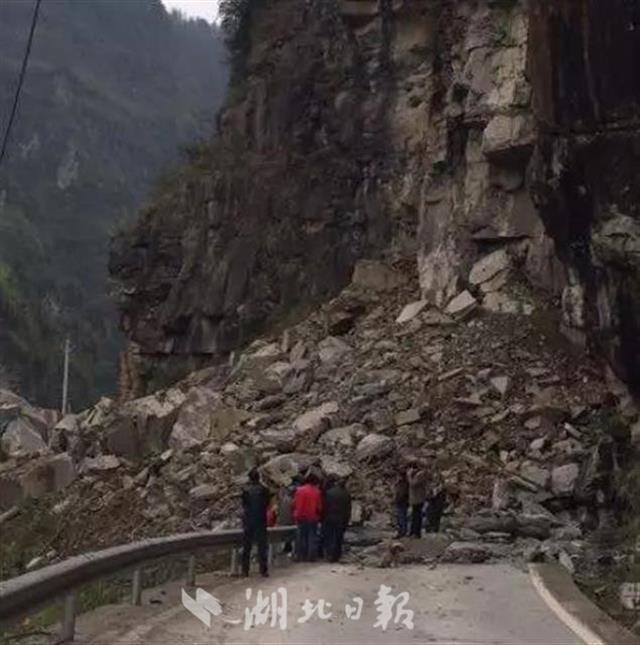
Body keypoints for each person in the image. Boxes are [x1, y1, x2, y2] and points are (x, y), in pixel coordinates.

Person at [241, 468, 270, 577]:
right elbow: (266, 504)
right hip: (261, 520)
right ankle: (263, 570)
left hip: (248, 520)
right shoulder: (264, 489)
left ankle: (245, 570)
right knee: (262, 546)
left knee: (246, 546)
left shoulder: (245, 489)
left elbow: (244, 505)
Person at [292, 473, 323, 561]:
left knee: (300, 536)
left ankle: (300, 556)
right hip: (312, 517)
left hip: (300, 516)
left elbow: (294, 504)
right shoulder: (317, 492)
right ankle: (311, 557)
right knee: (312, 537)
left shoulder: (299, 490)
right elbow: (319, 507)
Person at [323, 478, 352, 562]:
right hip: (341, 518)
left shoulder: (329, 492)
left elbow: (325, 506)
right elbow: (348, 509)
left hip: (330, 517)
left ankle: (329, 554)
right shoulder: (347, 494)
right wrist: (347, 520)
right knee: (338, 537)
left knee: (329, 536)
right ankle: (336, 555)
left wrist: (323, 517)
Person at [407, 463, 428, 538]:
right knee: (414, 515)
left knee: (417, 516)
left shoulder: (421, 474)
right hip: (416, 497)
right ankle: (412, 531)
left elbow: (413, 483)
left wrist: (409, 475)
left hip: (418, 498)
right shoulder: (420, 474)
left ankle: (416, 533)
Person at [393, 469, 409, 538]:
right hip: (400, 501)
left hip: (402, 502)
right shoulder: (400, 483)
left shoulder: (404, 483)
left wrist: (398, 499)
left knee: (402, 517)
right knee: (399, 517)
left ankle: (403, 531)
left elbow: (402, 493)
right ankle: (401, 531)